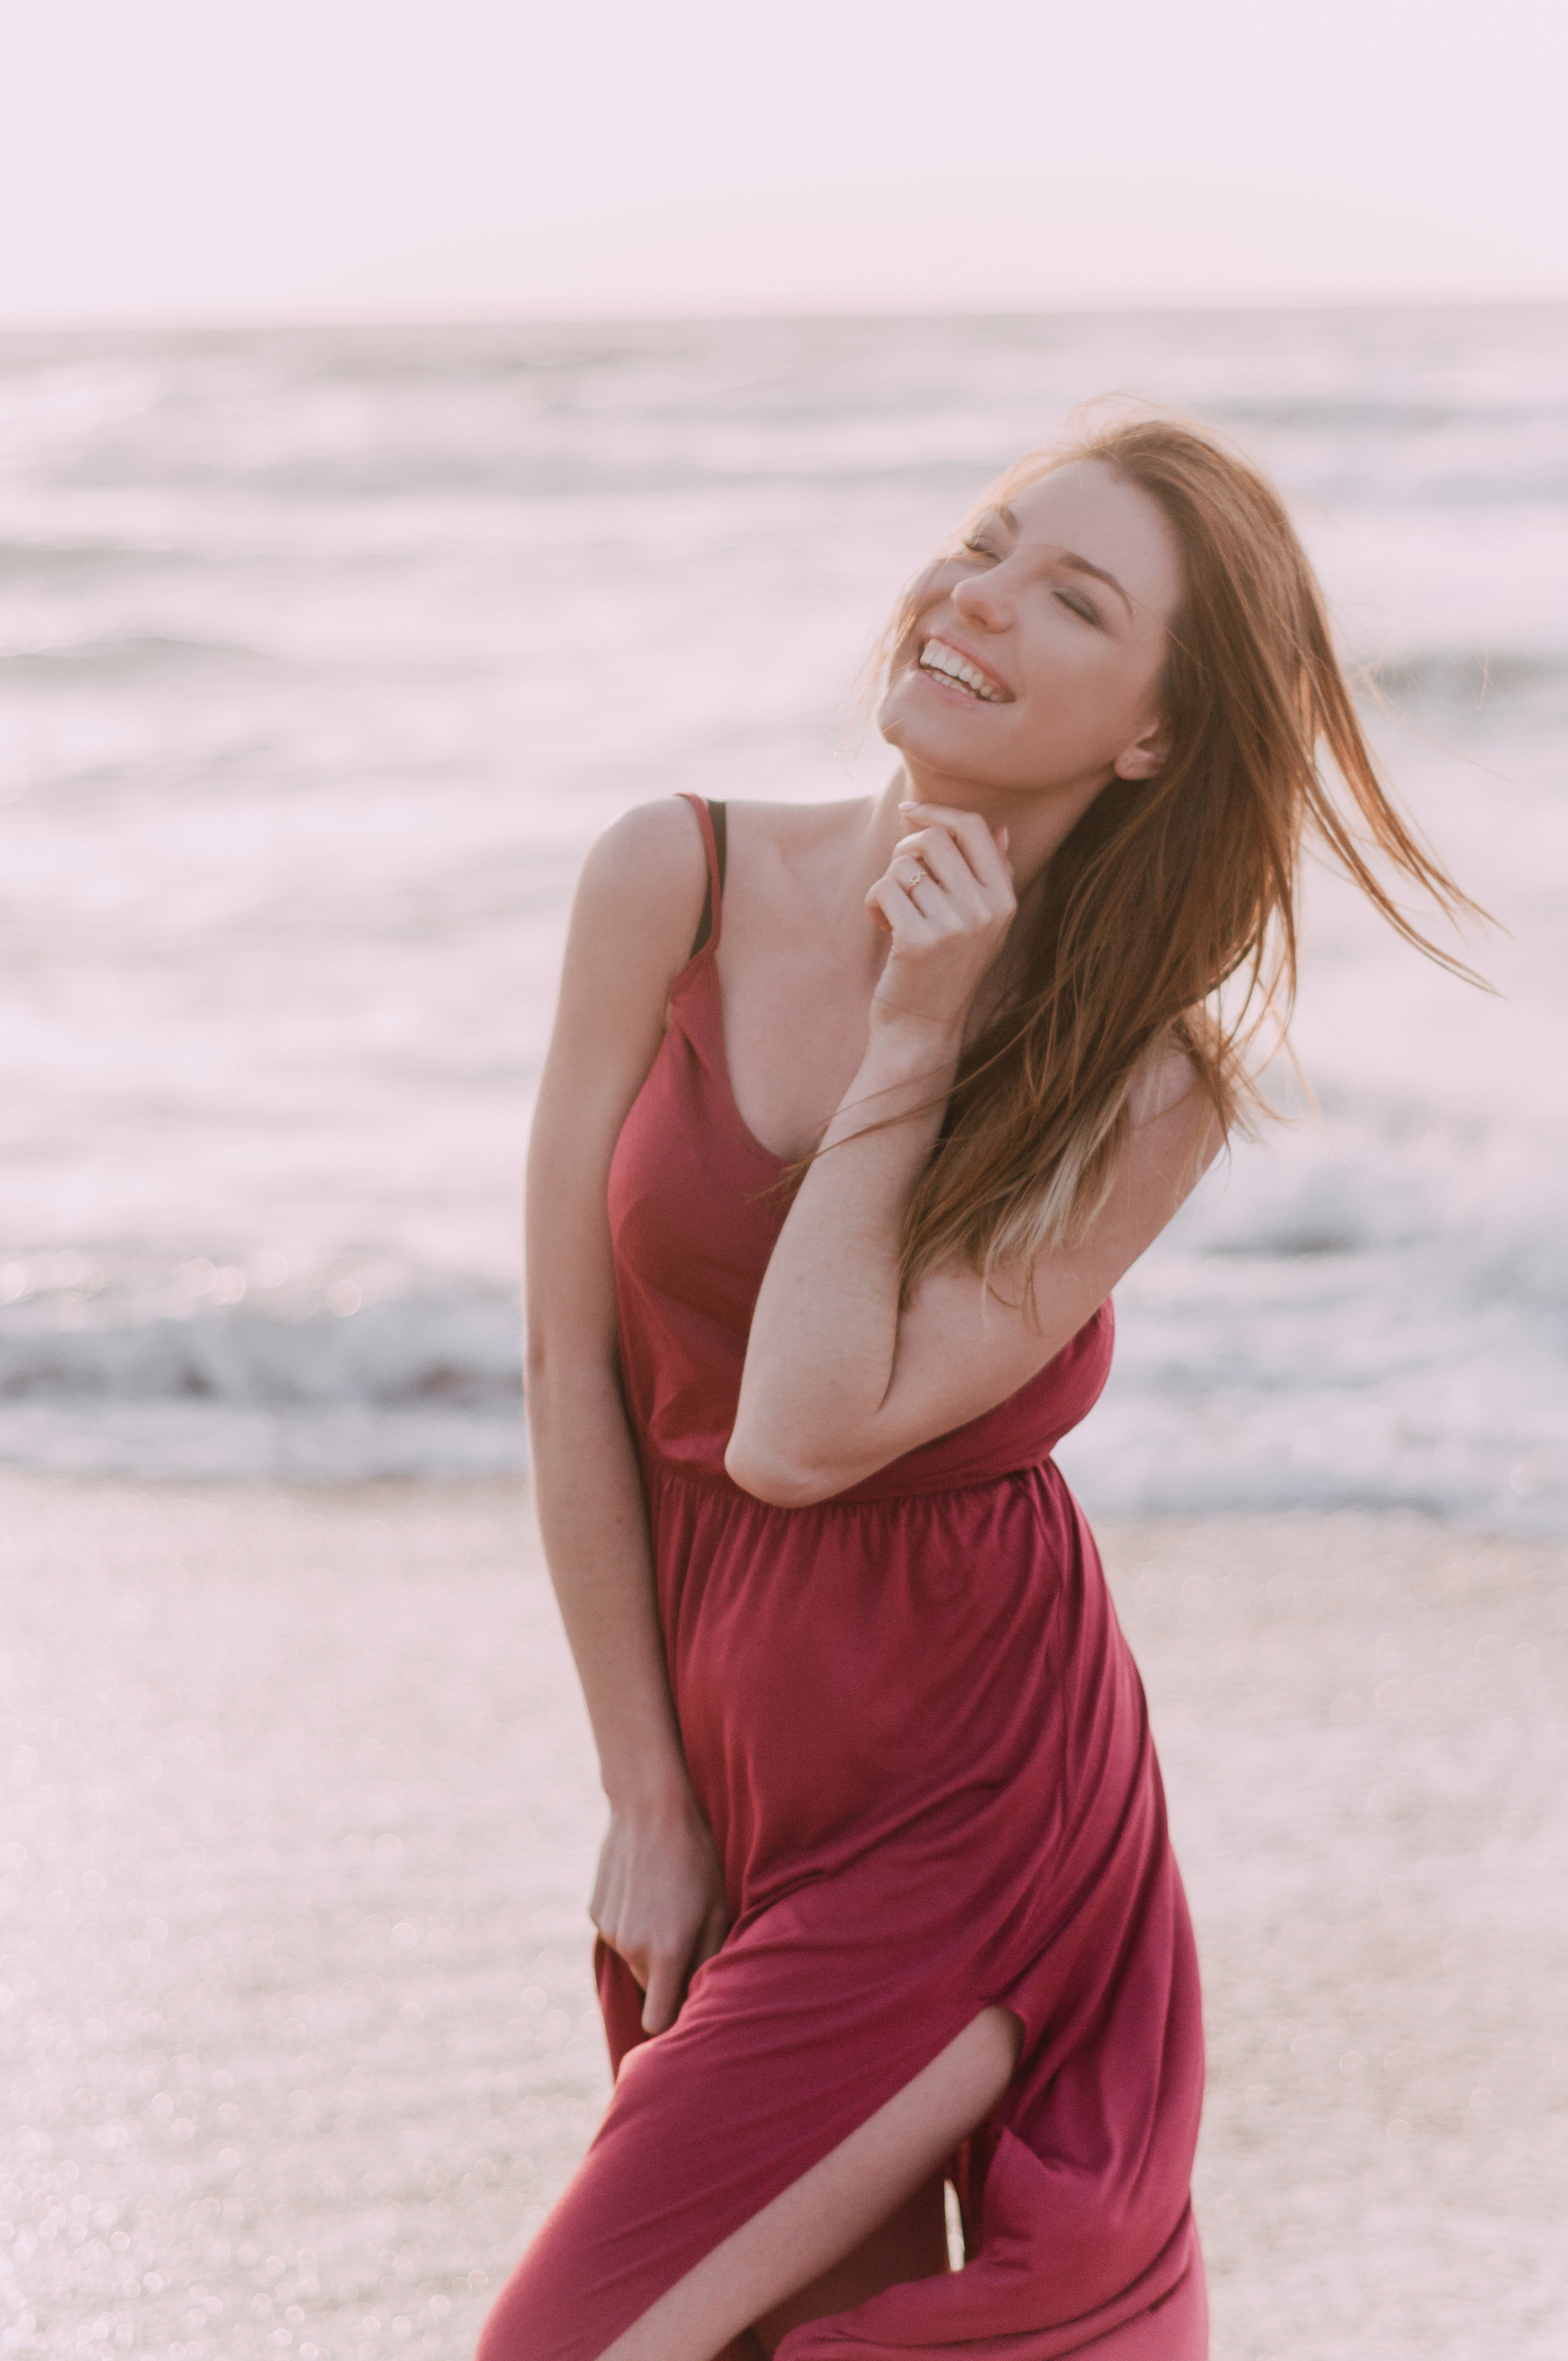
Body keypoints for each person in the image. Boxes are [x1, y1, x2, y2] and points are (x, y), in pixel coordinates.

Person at [480, 415, 1474, 2361]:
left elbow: (795, 1429)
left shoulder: (1150, 1085)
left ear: (1153, 741)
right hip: (729, 1765)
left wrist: (920, 1025)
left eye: (1072, 598)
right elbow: (566, 1357)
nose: (976, 598)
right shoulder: (666, 878)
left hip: (971, 1806)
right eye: (988, 545)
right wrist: (645, 1790)